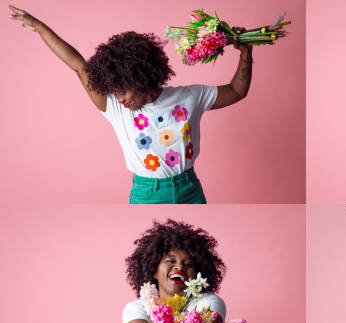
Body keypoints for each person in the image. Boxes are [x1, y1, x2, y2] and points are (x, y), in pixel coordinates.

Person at [9, 5, 253, 204]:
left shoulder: (189, 97)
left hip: (190, 188)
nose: (120, 98)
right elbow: (79, 65)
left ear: (141, 78)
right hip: (147, 193)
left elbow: (235, 91)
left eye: (122, 90)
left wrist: (245, 53)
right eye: (115, 92)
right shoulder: (114, 107)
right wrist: (39, 27)